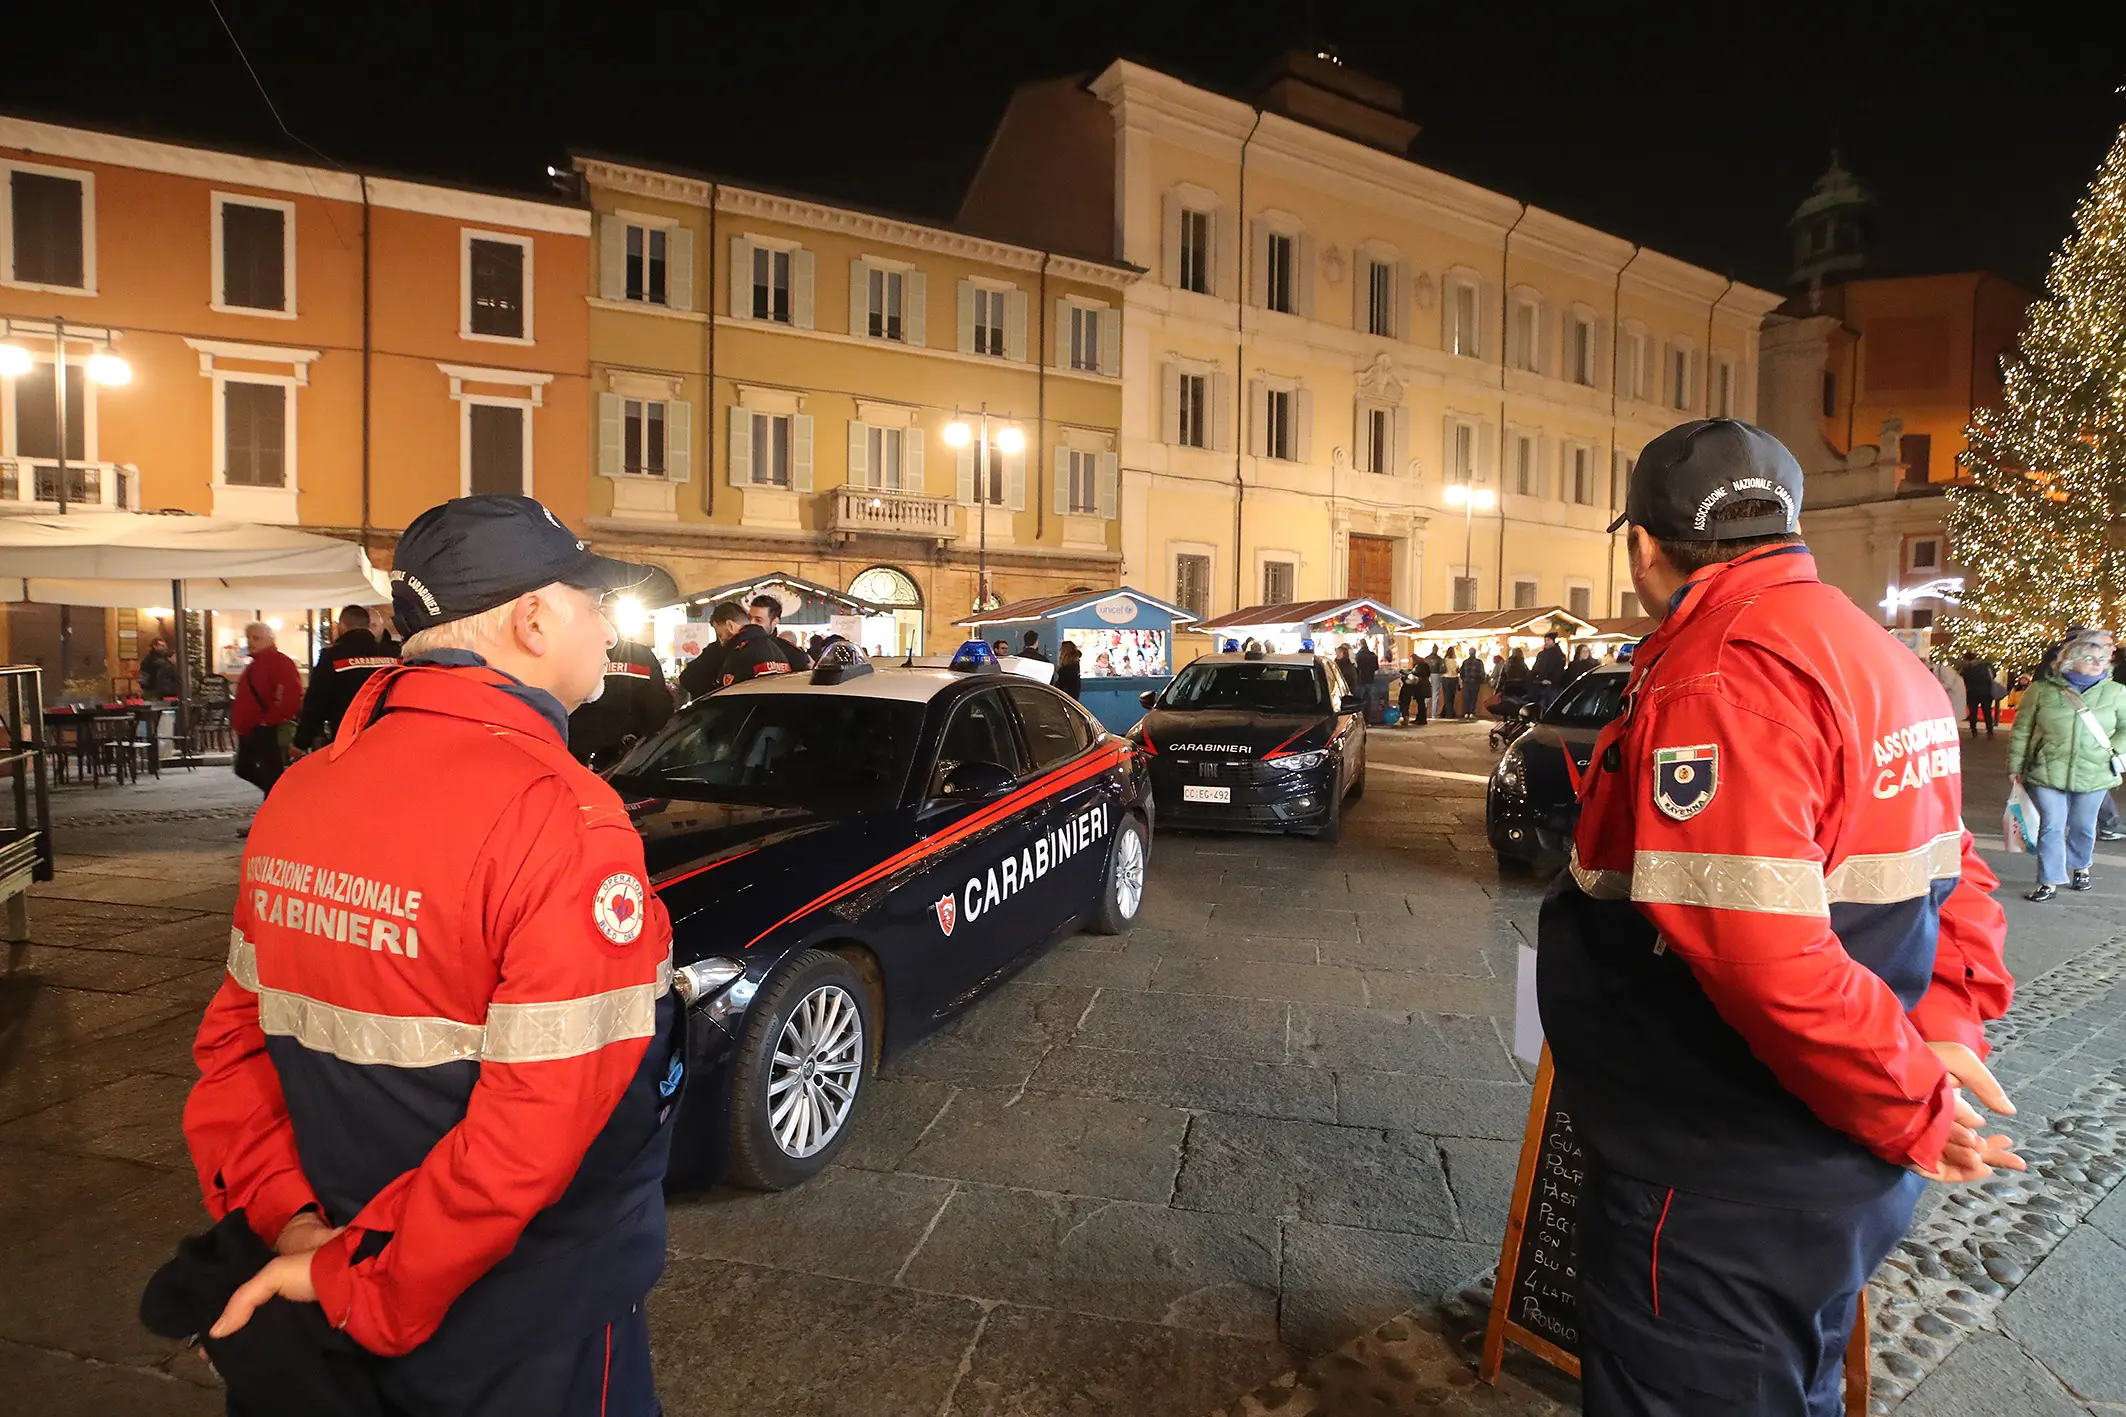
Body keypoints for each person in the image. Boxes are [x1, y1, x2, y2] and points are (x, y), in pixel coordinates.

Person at [1540, 419, 2018, 1417]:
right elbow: (1954, 868)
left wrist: (1912, 1104)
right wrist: (1942, 1020)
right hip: (1822, 1170)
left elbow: (1765, 957)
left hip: (1717, 1173)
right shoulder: (1881, 658)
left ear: (1640, 545)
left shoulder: (1717, 672)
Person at [182, 493, 677, 1416]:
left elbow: (235, 1050)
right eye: (592, 599)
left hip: (327, 1258)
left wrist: (294, 1225)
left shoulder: (303, 789)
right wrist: (363, 1280)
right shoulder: (560, 815)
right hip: (524, 1314)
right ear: (532, 618)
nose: (608, 625)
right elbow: (535, 1129)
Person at [2008, 629, 2126, 901]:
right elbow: (2022, 729)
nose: (2098, 662)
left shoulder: (2117, 692)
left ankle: (2081, 866)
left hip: (2094, 771)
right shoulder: (2040, 691)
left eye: (2102, 658)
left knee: (2083, 825)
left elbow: (2124, 728)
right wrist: (2016, 764)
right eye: (2089, 657)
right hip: (2047, 769)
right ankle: (2048, 880)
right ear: (2070, 660)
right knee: (2052, 825)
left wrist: (2114, 750)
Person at [293, 605, 398, 754]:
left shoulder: (333, 657)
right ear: (367, 625)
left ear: (342, 626)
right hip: (386, 736)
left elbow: (316, 702)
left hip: (346, 738)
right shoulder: (393, 655)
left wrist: (301, 742)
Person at [567, 636, 673, 770]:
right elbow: (660, 711)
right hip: (629, 763)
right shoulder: (641, 655)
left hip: (575, 760)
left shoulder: (566, 653)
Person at [232, 622, 303, 796]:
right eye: (249, 638)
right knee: (246, 768)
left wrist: (271, 719)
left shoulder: (279, 662)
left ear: (269, 639)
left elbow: (288, 693)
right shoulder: (255, 664)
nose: (251, 642)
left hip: (266, 727)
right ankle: (279, 797)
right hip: (251, 727)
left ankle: (278, 802)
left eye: (256, 638)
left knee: (268, 773)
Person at [676, 600, 747, 701]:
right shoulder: (714, 650)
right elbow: (687, 677)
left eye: (720, 635)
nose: (721, 641)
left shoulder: (748, 650)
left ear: (730, 625)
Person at [748, 595, 810, 670]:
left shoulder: (792, 653)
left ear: (774, 622)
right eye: (749, 618)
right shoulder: (738, 648)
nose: (751, 623)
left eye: (758, 620)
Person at [1959, 651, 2000, 739]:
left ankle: (1974, 731)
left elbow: (1962, 679)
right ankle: (1990, 731)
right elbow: (1993, 675)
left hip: (1972, 693)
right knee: (1987, 712)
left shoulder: (1966, 669)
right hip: (1986, 693)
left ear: (1966, 659)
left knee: (1973, 713)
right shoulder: (1986, 666)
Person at [1532, 631, 1568, 708]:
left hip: (1553, 686)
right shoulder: (1542, 654)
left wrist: (1552, 681)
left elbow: (1559, 670)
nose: (1546, 642)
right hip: (1541, 684)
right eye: (1545, 640)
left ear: (1553, 641)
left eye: (1548, 640)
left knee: (1550, 706)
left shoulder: (1558, 654)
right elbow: (1536, 668)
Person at [1352, 639, 1381, 722]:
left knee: (1359, 700)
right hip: (1370, 679)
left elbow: (1356, 668)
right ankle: (1368, 719)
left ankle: (1360, 719)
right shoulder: (1373, 655)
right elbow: (1376, 668)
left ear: (1360, 645)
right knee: (1369, 700)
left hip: (1360, 680)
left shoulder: (1358, 655)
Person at [1399, 654, 1431, 726]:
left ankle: (1421, 719)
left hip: (1420, 687)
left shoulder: (1419, 666)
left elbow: (1415, 673)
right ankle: (1420, 718)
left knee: (1421, 703)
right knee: (1421, 703)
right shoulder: (1423, 665)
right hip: (1423, 686)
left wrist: (1405, 672)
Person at [1459, 649, 1485, 720]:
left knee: (1466, 698)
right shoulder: (1479, 662)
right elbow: (1482, 673)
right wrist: (1481, 681)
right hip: (1475, 682)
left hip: (1466, 682)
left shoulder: (1465, 662)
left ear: (1469, 653)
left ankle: (1466, 713)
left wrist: (1464, 679)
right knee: (1473, 698)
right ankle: (1471, 712)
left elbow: (1461, 672)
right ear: (1475, 653)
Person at [1430, 648, 1450, 719]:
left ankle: (1424, 712)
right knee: (1435, 695)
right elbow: (1443, 669)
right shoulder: (1439, 659)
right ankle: (1433, 714)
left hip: (1428, 676)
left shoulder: (1427, 658)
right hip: (1436, 676)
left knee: (1426, 696)